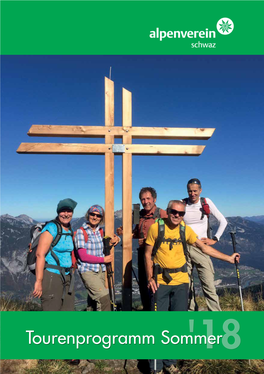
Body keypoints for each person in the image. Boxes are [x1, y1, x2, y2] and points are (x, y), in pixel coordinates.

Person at [145, 200, 239, 374]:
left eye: (181, 214)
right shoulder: (156, 228)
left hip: (181, 283)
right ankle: (156, 367)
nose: (177, 216)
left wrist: (229, 258)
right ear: (168, 211)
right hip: (160, 283)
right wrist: (150, 277)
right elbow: (147, 253)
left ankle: (169, 363)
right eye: (174, 212)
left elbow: (204, 248)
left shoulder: (184, 230)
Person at [183, 178, 228, 311]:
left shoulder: (206, 202)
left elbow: (223, 221)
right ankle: (191, 313)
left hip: (202, 248)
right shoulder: (182, 203)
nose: (192, 194)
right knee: (187, 285)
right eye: (190, 191)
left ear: (200, 190)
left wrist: (215, 239)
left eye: (195, 191)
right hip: (185, 247)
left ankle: (215, 313)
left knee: (208, 284)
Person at [33, 198, 77, 311]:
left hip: (67, 275)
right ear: (58, 212)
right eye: (63, 211)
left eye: (69, 211)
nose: (66, 214)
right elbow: (39, 255)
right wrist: (39, 281)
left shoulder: (68, 228)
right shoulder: (52, 228)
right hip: (52, 275)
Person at [74, 205, 120, 311]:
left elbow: (109, 240)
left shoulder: (100, 232)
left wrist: (117, 239)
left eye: (98, 215)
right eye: (92, 214)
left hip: (100, 270)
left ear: (101, 218)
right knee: (104, 298)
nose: (95, 217)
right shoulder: (81, 232)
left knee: (93, 302)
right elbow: (83, 256)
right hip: (88, 270)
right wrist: (103, 260)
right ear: (88, 215)